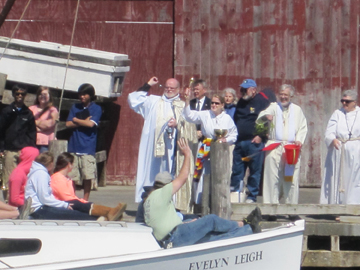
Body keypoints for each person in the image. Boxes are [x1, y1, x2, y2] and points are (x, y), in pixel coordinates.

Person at [144, 138, 261, 249]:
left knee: (212, 238)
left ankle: (248, 230)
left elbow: (164, 222)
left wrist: (189, 223)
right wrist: (187, 154)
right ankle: (242, 224)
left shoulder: (148, 201)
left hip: (170, 240)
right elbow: (183, 177)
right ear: (166, 184)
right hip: (176, 235)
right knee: (211, 220)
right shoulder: (162, 193)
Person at [128, 76, 197, 211]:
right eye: (167, 87)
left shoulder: (182, 105)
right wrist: (148, 85)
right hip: (152, 147)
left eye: (172, 88)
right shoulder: (153, 101)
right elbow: (134, 99)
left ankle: (169, 204)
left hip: (172, 148)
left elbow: (190, 126)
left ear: (178, 89)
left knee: (169, 173)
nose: (169, 90)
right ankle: (147, 203)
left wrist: (178, 124)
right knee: (151, 172)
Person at [183, 90, 238, 204]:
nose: (213, 105)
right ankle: (200, 201)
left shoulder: (227, 118)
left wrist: (225, 139)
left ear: (222, 105)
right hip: (205, 146)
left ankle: (218, 201)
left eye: (217, 103)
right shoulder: (205, 114)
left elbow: (234, 134)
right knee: (202, 173)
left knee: (219, 174)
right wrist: (187, 101)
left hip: (221, 149)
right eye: (212, 103)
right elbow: (189, 116)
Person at [257, 84, 308, 207]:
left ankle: (291, 207)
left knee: (290, 178)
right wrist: (266, 117)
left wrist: (299, 140)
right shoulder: (273, 107)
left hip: (290, 148)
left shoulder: (297, 110)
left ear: (291, 96)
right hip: (274, 146)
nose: (283, 97)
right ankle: (271, 207)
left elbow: (303, 127)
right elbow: (260, 117)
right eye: (281, 94)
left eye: (286, 95)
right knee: (272, 178)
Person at [51, 152, 127, 221]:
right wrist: (81, 201)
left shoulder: (67, 178)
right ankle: (110, 212)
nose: (73, 166)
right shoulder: (57, 178)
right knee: (77, 204)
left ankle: (108, 214)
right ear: (68, 164)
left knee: (80, 204)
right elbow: (66, 197)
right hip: (62, 203)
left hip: (70, 202)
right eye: (72, 163)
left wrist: (82, 201)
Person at [25, 152, 97, 220]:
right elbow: (44, 198)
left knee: (76, 213)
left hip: (42, 207)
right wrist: (64, 205)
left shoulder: (39, 173)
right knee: (79, 216)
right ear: (50, 163)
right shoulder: (41, 174)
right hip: (38, 210)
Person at [230, 79, 270, 203]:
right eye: (241, 89)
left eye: (245, 89)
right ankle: (236, 194)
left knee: (254, 171)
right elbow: (236, 119)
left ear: (253, 90)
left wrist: (260, 135)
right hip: (240, 142)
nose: (242, 91)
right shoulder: (241, 102)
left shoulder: (261, 102)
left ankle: (252, 196)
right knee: (237, 170)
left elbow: (268, 120)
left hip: (254, 143)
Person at [320, 90, 360, 204]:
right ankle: (337, 207)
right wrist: (332, 139)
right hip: (339, 151)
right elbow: (329, 131)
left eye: (347, 101)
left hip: (356, 151)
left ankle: (353, 206)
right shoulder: (337, 113)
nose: (344, 103)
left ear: (354, 102)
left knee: (355, 180)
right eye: (342, 101)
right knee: (338, 179)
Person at [66, 83, 102, 201]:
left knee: (87, 176)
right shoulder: (75, 107)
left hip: (87, 146)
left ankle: (85, 199)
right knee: (73, 176)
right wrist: (81, 121)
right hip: (74, 146)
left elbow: (91, 124)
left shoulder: (96, 108)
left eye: (85, 94)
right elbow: (68, 124)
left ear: (90, 95)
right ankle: (73, 198)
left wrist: (76, 120)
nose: (82, 97)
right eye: (80, 94)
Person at [0, 85, 37, 200]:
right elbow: (1, 131)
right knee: (8, 179)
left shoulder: (28, 113)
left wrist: (31, 151)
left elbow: (32, 133)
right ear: (13, 94)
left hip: (24, 152)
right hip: (9, 150)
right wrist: (1, 148)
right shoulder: (6, 111)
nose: (20, 96)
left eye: (22, 94)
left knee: (22, 179)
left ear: (25, 96)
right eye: (17, 93)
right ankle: (8, 202)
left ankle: (20, 203)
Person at [29, 86, 59, 153]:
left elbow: (50, 124)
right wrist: (41, 126)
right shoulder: (31, 109)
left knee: (43, 162)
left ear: (49, 96)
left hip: (47, 143)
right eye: (40, 94)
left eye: (45, 94)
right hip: (32, 141)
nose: (42, 96)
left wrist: (35, 122)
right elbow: (27, 125)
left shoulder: (53, 110)